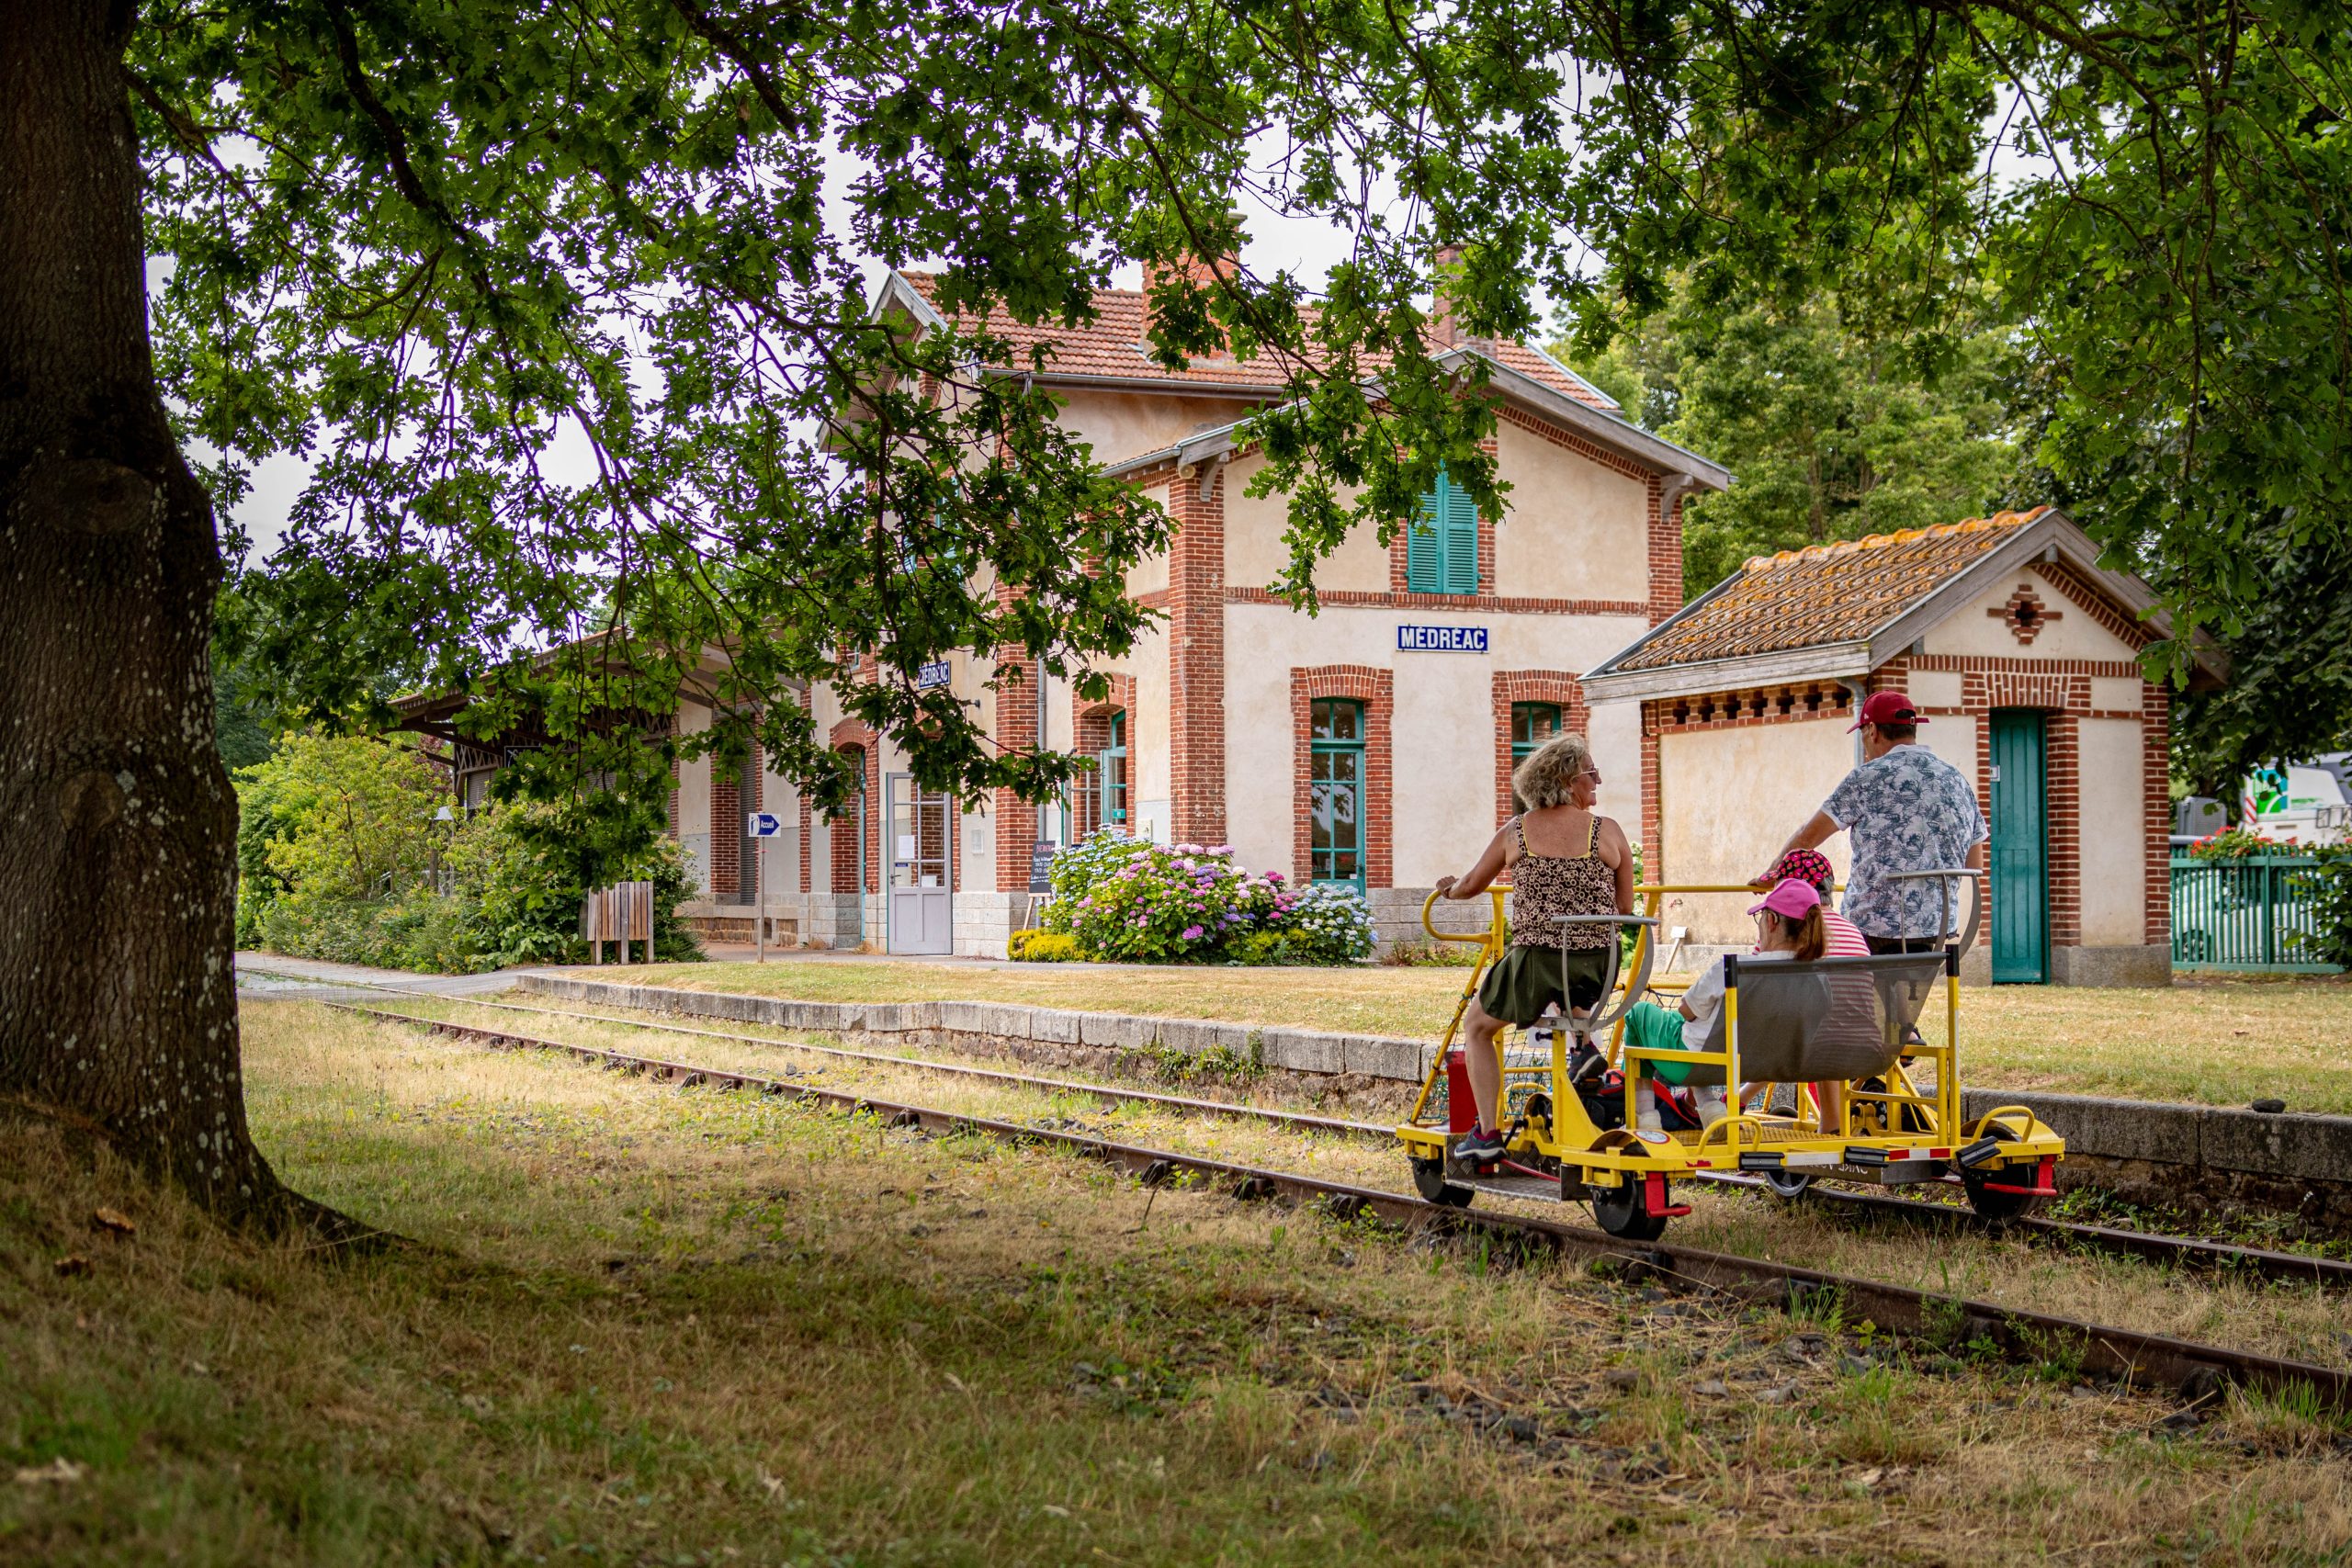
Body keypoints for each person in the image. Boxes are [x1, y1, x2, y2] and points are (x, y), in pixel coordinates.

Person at [1433, 732, 1634, 1164]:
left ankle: (1488, 1133)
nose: (1598, 781)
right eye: (1591, 773)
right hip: (1600, 965)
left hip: (1538, 961)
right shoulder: (1610, 832)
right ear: (1566, 779)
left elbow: (1471, 885)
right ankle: (1583, 1045)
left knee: (1477, 1029)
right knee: (1568, 973)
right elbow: (1624, 907)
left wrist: (1448, 892)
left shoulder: (1517, 832)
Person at [1764, 691, 1986, 955]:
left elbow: (1807, 838)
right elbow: (1974, 865)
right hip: (1935, 928)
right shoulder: (1957, 781)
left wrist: (1772, 873)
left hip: (1870, 930)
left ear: (1872, 731)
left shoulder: (1866, 778)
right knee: (1900, 995)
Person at [1619, 880, 1827, 1134]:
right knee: (1703, 1038)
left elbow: (1686, 1011)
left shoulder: (1733, 969)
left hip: (1695, 1064)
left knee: (1640, 1015)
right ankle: (1707, 1104)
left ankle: (1646, 1114)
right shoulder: (1820, 978)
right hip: (1756, 1068)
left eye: (1760, 917)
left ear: (1772, 921)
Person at [1745, 848, 1867, 1129]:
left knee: (1797, 1025)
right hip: (1864, 1040)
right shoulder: (1852, 930)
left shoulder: (1789, 934)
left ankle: (1735, 1098)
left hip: (1807, 1043)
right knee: (1823, 1023)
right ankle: (1831, 1122)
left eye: (1779, 887)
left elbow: (1752, 988)